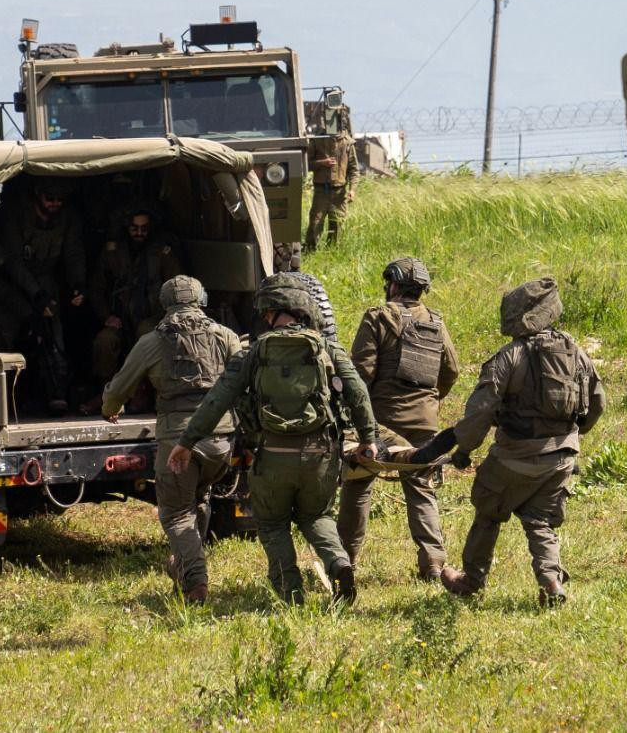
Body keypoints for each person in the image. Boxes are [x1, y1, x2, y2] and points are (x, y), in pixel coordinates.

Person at [168, 273, 378, 605]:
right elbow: (358, 394)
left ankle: (291, 594)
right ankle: (339, 563)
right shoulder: (328, 349)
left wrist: (187, 442)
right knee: (317, 517)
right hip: (320, 455)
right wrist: (368, 438)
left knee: (272, 524)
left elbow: (216, 401)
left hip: (272, 456)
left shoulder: (252, 354)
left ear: (269, 312)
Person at [411, 276, 605, 607]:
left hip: (514, 457)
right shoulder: (575, 351)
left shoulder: (509, 356)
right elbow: (598, 403)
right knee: (541, 521)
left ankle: (471, 581)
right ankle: (551, 583)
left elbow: (480, 411)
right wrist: (570, 437)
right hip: (561, 459)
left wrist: (463, 450)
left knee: (488, 513)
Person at [101, 275, 242, 605]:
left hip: (178, 443)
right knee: (200, 497)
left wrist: (110, 408)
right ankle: (182, 566)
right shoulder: (226, 335)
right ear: (201, 300)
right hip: (221, 441)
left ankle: (195, 582)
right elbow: (244, 380)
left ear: (164, 304)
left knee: (176, 513)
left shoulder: (151, 342)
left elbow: (120, 387)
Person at [338, 257, 460, 580]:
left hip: (380, 424)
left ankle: (345, 560)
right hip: (424, 426)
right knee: (421, 488)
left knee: (357, 486)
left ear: (393, 284)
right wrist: (430, 403)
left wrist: (357, 415)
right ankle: (433, 563)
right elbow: (451, 371)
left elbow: (360, 373)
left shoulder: (377, 317)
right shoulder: (436, 322)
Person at [0, 175, 88, 414]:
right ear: (38, 195)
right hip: (13, 285)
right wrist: (35, 295)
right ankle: (3, 397)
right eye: (50, 198)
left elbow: (73, 253)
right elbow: (13, 262)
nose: (55, 203)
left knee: (53, 338)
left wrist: (78, 284)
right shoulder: (16, 215)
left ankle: (56, 392)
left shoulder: (67, 218)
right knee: (5, 336)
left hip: (45, 281)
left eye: (60, 199)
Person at [88, 206, 184, 403]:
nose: (139, 233)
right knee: (104, 342)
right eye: (134, 228)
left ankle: (144, 390)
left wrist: (165, 317)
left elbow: (177, 288)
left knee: (146, 336)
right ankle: (106, 392)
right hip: (120, 318)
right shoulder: (113, 252)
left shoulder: (163, 252)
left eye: (144, 228)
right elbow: (96, 288)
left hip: (153, 317)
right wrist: (106, 316)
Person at [303, 101, 356, 253]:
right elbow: (305, 165)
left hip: (339, 193)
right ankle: (310, 252)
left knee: (337, 226)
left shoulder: (347, 143)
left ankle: (332, 254)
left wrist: (352, 189)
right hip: (322, 191)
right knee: (315, 224)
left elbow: (354, 170)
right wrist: (322, 163)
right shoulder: (318, 140)